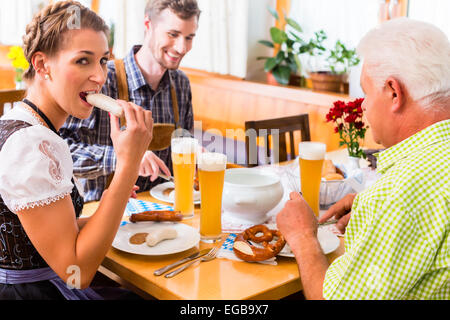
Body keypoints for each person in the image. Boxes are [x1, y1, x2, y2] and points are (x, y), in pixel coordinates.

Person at [277, 18, 450, 300]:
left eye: (366, 92)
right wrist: (372, 209)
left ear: (394, 93)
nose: (365, 105)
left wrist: (302, 238)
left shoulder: (399, 193)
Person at [0, 1, 152, 299]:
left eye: (104, 61)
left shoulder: (21, 123)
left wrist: (111, 202)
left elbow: (48, 232)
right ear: (42, 65)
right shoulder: (32, 145)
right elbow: (77, 272)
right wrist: (128, 165)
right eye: (83, 60)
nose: (100, 76)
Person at [60, 0, 201, 202]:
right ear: (148, 25)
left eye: (189, 37)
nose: (182, 47)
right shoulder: (100, 79)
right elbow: (61, 154)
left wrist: (194, 151)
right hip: (104, 213)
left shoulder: (181, 84)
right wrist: (124, 158)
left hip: (164, 209)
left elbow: (184, 140)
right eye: (173, 34)